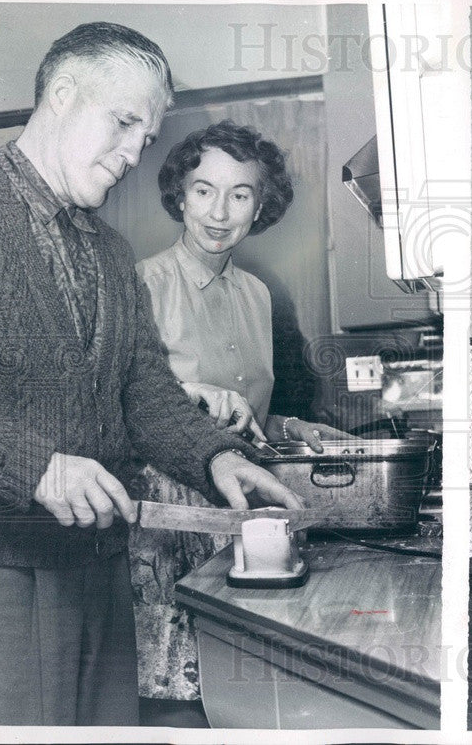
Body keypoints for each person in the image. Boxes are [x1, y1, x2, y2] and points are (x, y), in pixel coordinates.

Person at [0, 22, 305, 726]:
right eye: (123, 123)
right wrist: (36, 466)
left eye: (144, 137)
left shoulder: (108, 250)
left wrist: (214, 455)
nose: (132, 154)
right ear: (62, 94)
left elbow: (142, 389)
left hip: (98, 563)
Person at [130, 121, 350, 724]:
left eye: (240, 194)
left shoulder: (259, 294)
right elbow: (124, 408)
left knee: (246, 694)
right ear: (179, 194)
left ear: (262, 206)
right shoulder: (142, 285)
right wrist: (189, 393)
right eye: (203, 190)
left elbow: (245, 414)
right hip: (171, 521)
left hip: (243, 514)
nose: (219, 211)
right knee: (177, 697)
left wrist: (289, 427)